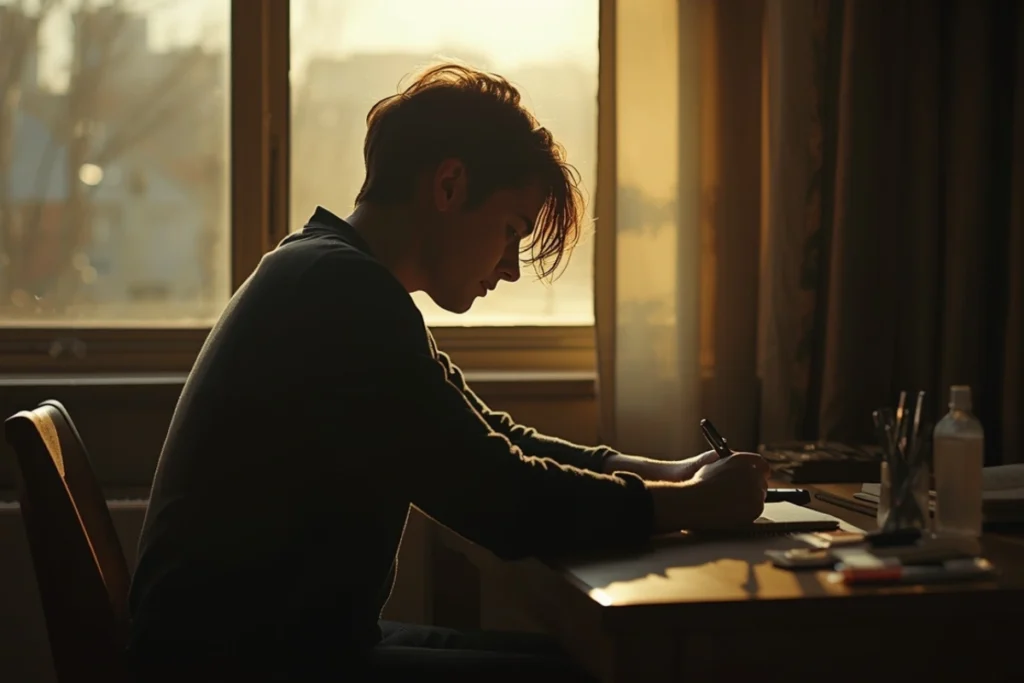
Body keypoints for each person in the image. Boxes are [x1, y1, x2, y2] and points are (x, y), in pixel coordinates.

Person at [126, 63, 770, 682]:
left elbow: (495, 438)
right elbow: (502, 497)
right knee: (602, 672)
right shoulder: (342, 294)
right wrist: (693, 505)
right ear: (449, 186)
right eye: (512, 229)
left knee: (590, 664)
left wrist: (675, 474)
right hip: (255, 666)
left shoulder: (330, 273)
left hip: (268, 650)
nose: (512, 268)